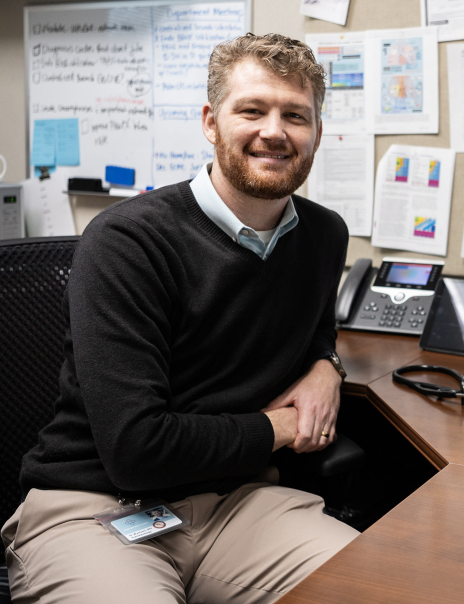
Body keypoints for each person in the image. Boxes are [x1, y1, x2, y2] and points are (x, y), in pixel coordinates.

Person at [1, 33, 358, 603]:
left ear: (316, 132)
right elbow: (137, 448)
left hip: (240, 503)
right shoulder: (128, 241)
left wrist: (328, 364)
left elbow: (312, 329)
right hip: (97, 506)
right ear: (211, 123)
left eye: (296, 115)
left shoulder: (324, 234)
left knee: (386, 583)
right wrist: (287, 426)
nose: (275, 130)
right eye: (252, 110)